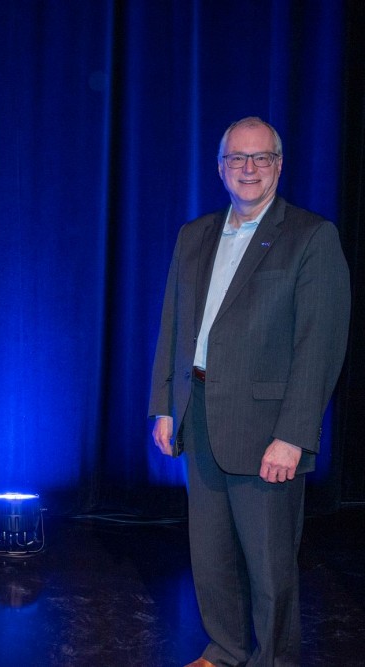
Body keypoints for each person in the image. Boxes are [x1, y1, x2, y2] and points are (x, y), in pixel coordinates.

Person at [148, 117, 350, 666]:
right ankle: (227, 649)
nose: (249, 169)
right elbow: (174, 327)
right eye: (238, 158)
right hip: (199, 414)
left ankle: (274, 660)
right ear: (220, 168)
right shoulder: (195, 235)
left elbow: (320, 346)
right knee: (210, 556)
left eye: (261, 158)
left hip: (268, 431)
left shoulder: (311, 236)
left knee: (269, 565)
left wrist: (293, 435)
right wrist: (165, 406)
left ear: (279, 165)